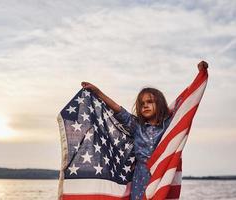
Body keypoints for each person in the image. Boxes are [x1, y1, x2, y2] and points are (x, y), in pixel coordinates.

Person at [81, 61, 208, 200]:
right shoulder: (137, 126)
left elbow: (188, 103)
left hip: (162, 174)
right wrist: (97, 92)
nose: (145, 106)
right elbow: (118, 109)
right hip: (141, 176)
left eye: (150, 102)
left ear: (159, 104)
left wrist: (201, 74)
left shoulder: (169, 125)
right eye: (142, 104)